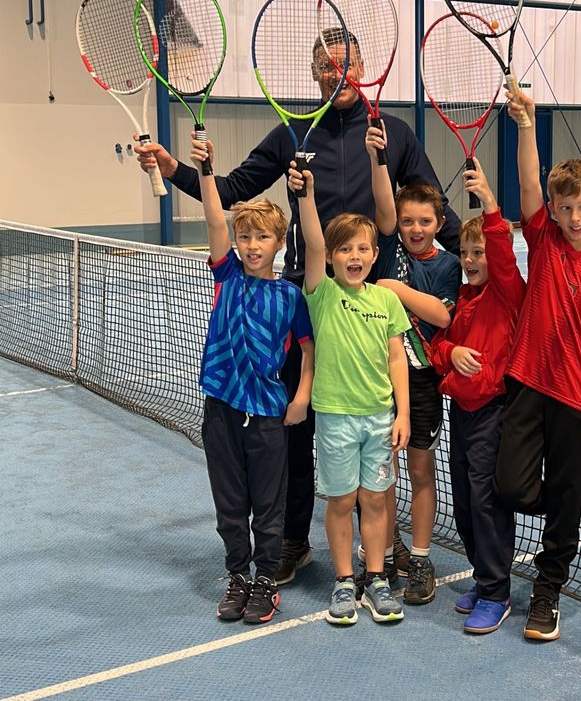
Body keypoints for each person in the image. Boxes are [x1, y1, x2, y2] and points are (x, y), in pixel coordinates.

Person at [135, 33, 459, 585]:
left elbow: (434, 211)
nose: (337, 74)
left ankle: (385, 545)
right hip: (306, 304)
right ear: (314, 74)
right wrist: (172, 169)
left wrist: (488, 271)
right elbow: (234, 187)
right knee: (296, 425)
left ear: (364, 66)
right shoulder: (293, 133)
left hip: (371, 310)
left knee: (374, 426)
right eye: (326, 66)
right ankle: (291, 540)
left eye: (346, 63)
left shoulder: (395, 135)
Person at [494, 91, 581, 643]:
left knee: (566, 496)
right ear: (554, 210)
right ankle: (568, 509)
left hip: (577, 398)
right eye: (565, 207)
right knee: (511, 487)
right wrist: (527, 125)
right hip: (527, 382)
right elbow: (528, 183)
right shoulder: (544, 241)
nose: (574, 216)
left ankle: (547, 590)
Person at [189, 133, 314, 625]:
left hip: (267, 414)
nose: (252, 245)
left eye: (262, 237)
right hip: (220, 407)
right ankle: (237, 575)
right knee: (229, 502)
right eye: (245, 237)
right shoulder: (227, 276)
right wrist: (205, 170)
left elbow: (308, 350)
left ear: (279, 243)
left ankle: (266, 579)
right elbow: (215, 218)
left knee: (268, 504)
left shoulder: (290, 297)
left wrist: (301, 396)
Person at [288, 161, 411, 625]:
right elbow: (313, 241)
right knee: (342, 501)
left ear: (374, 255)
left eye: (362, 249)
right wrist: (307, 194)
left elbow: (396, 359)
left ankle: (376, 576)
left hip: (379, 417)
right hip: (337, 417)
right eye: (345, 250)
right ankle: (344, 580)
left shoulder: (386, 300)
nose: (353, 256)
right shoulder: (320, 293)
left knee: (376, 499)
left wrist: (402, 414)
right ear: (333, 258)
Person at [366, 125, 461, 606]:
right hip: (377, 383)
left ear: (439, 221)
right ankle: (384, 554)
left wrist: (398, 290)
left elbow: (442, 314)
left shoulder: (447, 266)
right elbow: (383, 201)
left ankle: (421, 558)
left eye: (425, 220)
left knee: (421, 472)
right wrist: (379, 159)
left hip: (422, 384)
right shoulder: (387, 247)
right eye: (408, 221)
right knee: (382, 475)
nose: (415, 228)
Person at [430, 158, 525, 634]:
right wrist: (453, 353)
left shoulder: (509, 293)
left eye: (479, 252)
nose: (471, 260)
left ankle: (496, 590)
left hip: (493, 413)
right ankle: (483, 575)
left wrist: (489, 205)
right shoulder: (462, 299)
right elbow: (437, 348)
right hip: (460, 412)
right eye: (466, 252)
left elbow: (504, 255)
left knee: (487, 502)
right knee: (465, 502)